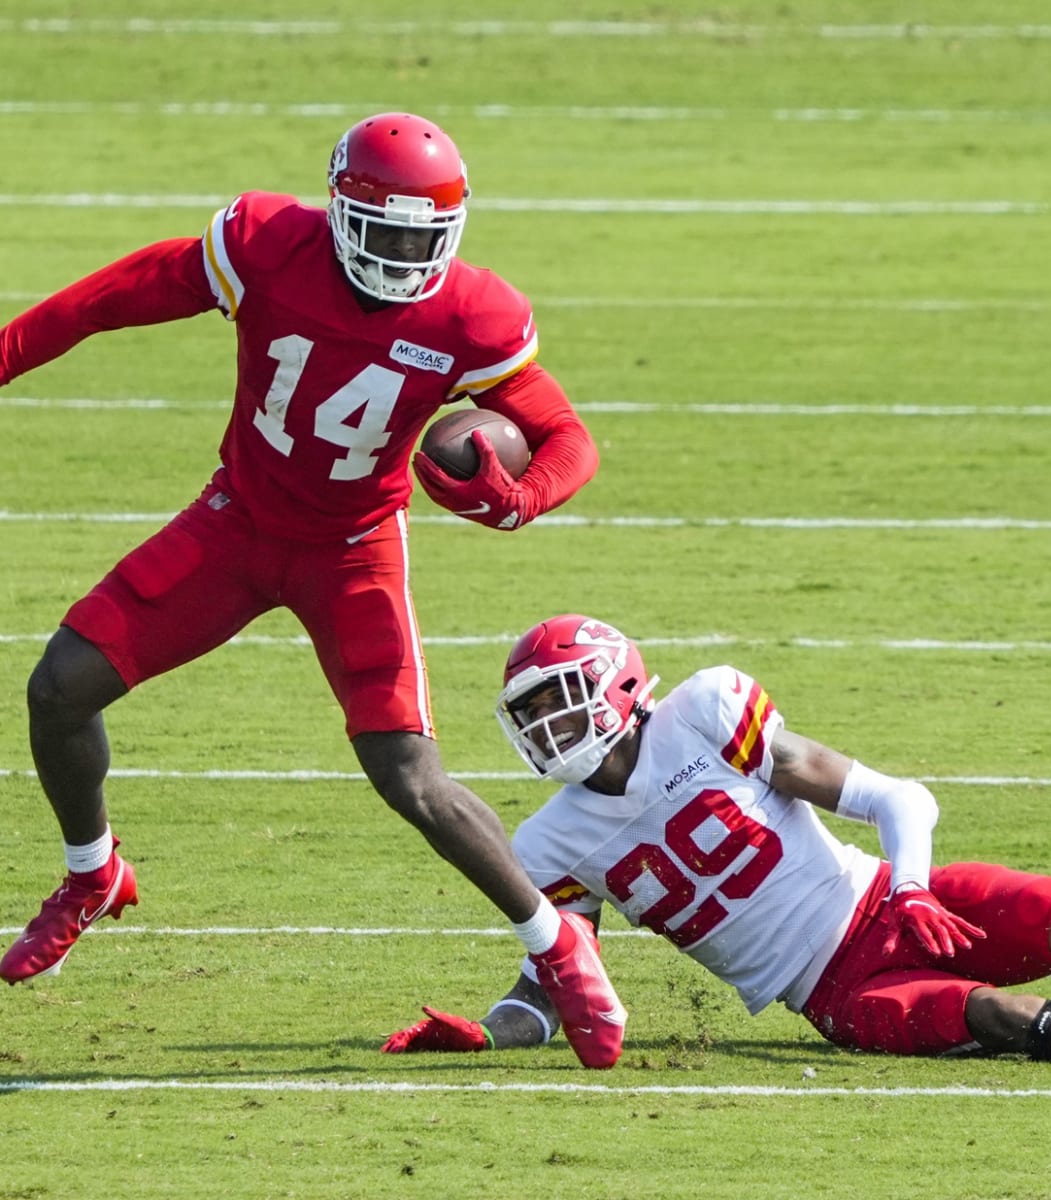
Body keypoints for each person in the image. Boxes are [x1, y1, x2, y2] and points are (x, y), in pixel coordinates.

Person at [0, 115, 624, 1068]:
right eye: (389, 233)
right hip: (235, 527)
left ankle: (556, 941)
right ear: (340, 214)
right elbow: (105, 301)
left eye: (427, 238)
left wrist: (521, 499)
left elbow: (566, 437)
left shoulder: (472, 313)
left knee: (408, 778)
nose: (406, 256)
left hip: (354, 551)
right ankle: (93, 873)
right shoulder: (263, 244)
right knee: (59, 687)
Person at [382, 613, 1051, 1068]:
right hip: (836, 995)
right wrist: (492, 1030)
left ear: (620, 686)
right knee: (1003, 1017)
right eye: (533, 716)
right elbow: (555, 985)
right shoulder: (547, 842)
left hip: (898, 900)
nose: (549, 729)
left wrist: (912, 888)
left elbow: (896, 797)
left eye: (561, 702)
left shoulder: (706, 713)